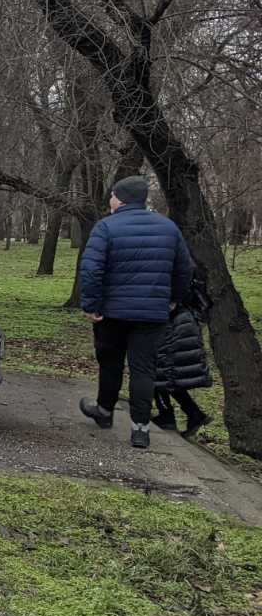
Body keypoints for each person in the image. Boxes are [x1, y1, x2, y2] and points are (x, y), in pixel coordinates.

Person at [78, 175, 194, 448]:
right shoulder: (168, 228)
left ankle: (104, 411)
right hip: (152, 314)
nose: (110, 200)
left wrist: (91, 305)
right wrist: (173, 299)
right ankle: (140, 429)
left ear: (121, 198)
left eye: (112, 196)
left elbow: (91, 269)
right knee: (143, 369)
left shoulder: (106, 227)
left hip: (112, 313)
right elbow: (185, 269)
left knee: (110, 362)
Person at [153, 270, 212, 439]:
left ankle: (172, 414)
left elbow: (171, 298)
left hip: (175, 324)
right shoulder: (181, 262)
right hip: (182, 321)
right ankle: (192, 414)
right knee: (167, 374)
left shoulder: (172, 268)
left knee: (159, 371)